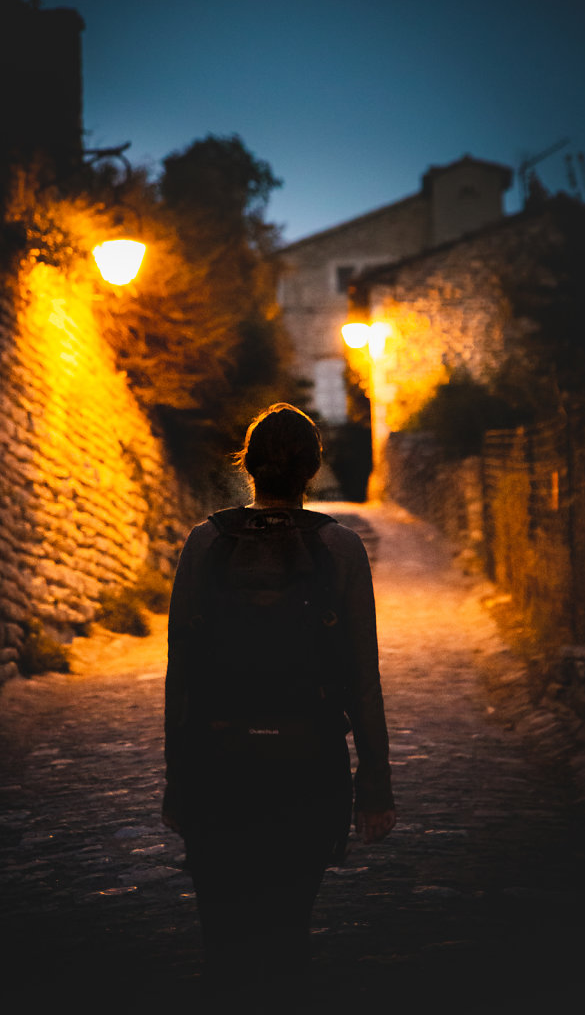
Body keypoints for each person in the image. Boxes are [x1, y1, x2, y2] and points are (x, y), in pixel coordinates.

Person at [162, 402, 395, 998]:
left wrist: (176, 781)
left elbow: (181, 672)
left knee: (223, 937)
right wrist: (374, 786)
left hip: (217, 762)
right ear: (311, 470)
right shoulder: (339, 547)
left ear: (250, 466)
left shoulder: (205, 543)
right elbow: (361, 676)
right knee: (289, 930)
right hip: (307, 762)